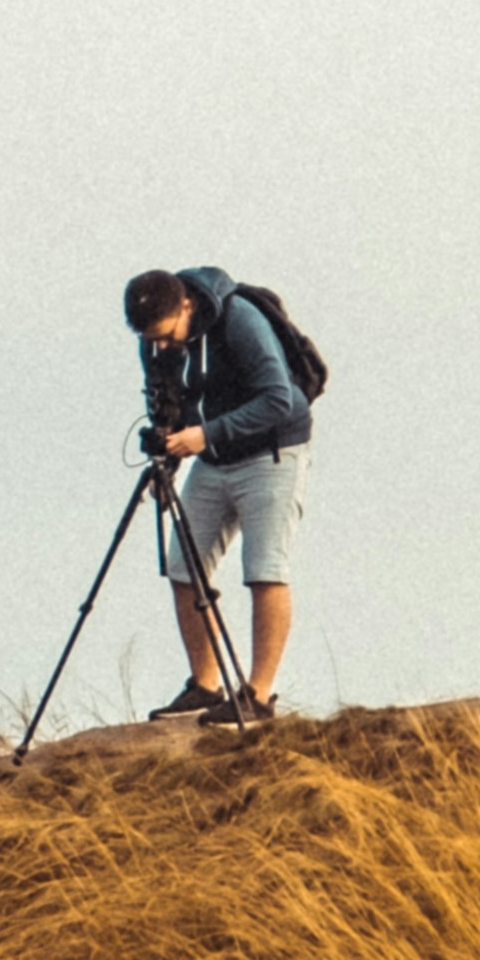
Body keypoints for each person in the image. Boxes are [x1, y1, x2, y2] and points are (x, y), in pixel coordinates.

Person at [122, 267, 312, 726]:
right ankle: (205, 686)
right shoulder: (154, 340)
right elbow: (171, 405)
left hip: (273, 451)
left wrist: (205, 435)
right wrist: (168, 458)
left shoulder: (238, 318)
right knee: (183, 566)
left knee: (264, 568)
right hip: (211, 456)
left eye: (167, 335)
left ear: (185, 305)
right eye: (151, 339)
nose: (162, 347)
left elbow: (279, 399)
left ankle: (259, 695)